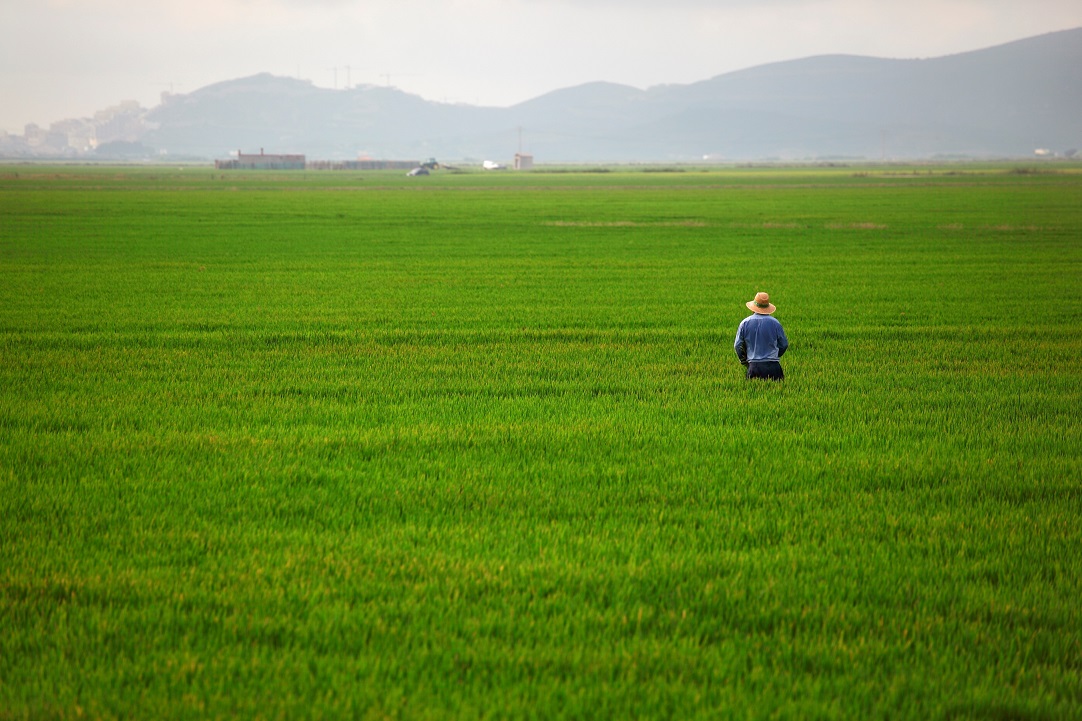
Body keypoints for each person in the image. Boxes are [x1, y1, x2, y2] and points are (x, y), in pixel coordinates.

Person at [734, 291, 788, 380]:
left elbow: (737, 345)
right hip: (774, 367)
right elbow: (784, 344)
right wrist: (775, 356)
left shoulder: (745, 323)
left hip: (754, 367)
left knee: (755, 393)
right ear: (768, 307)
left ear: (753, 308)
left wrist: (744, 361)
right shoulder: (775, 323)